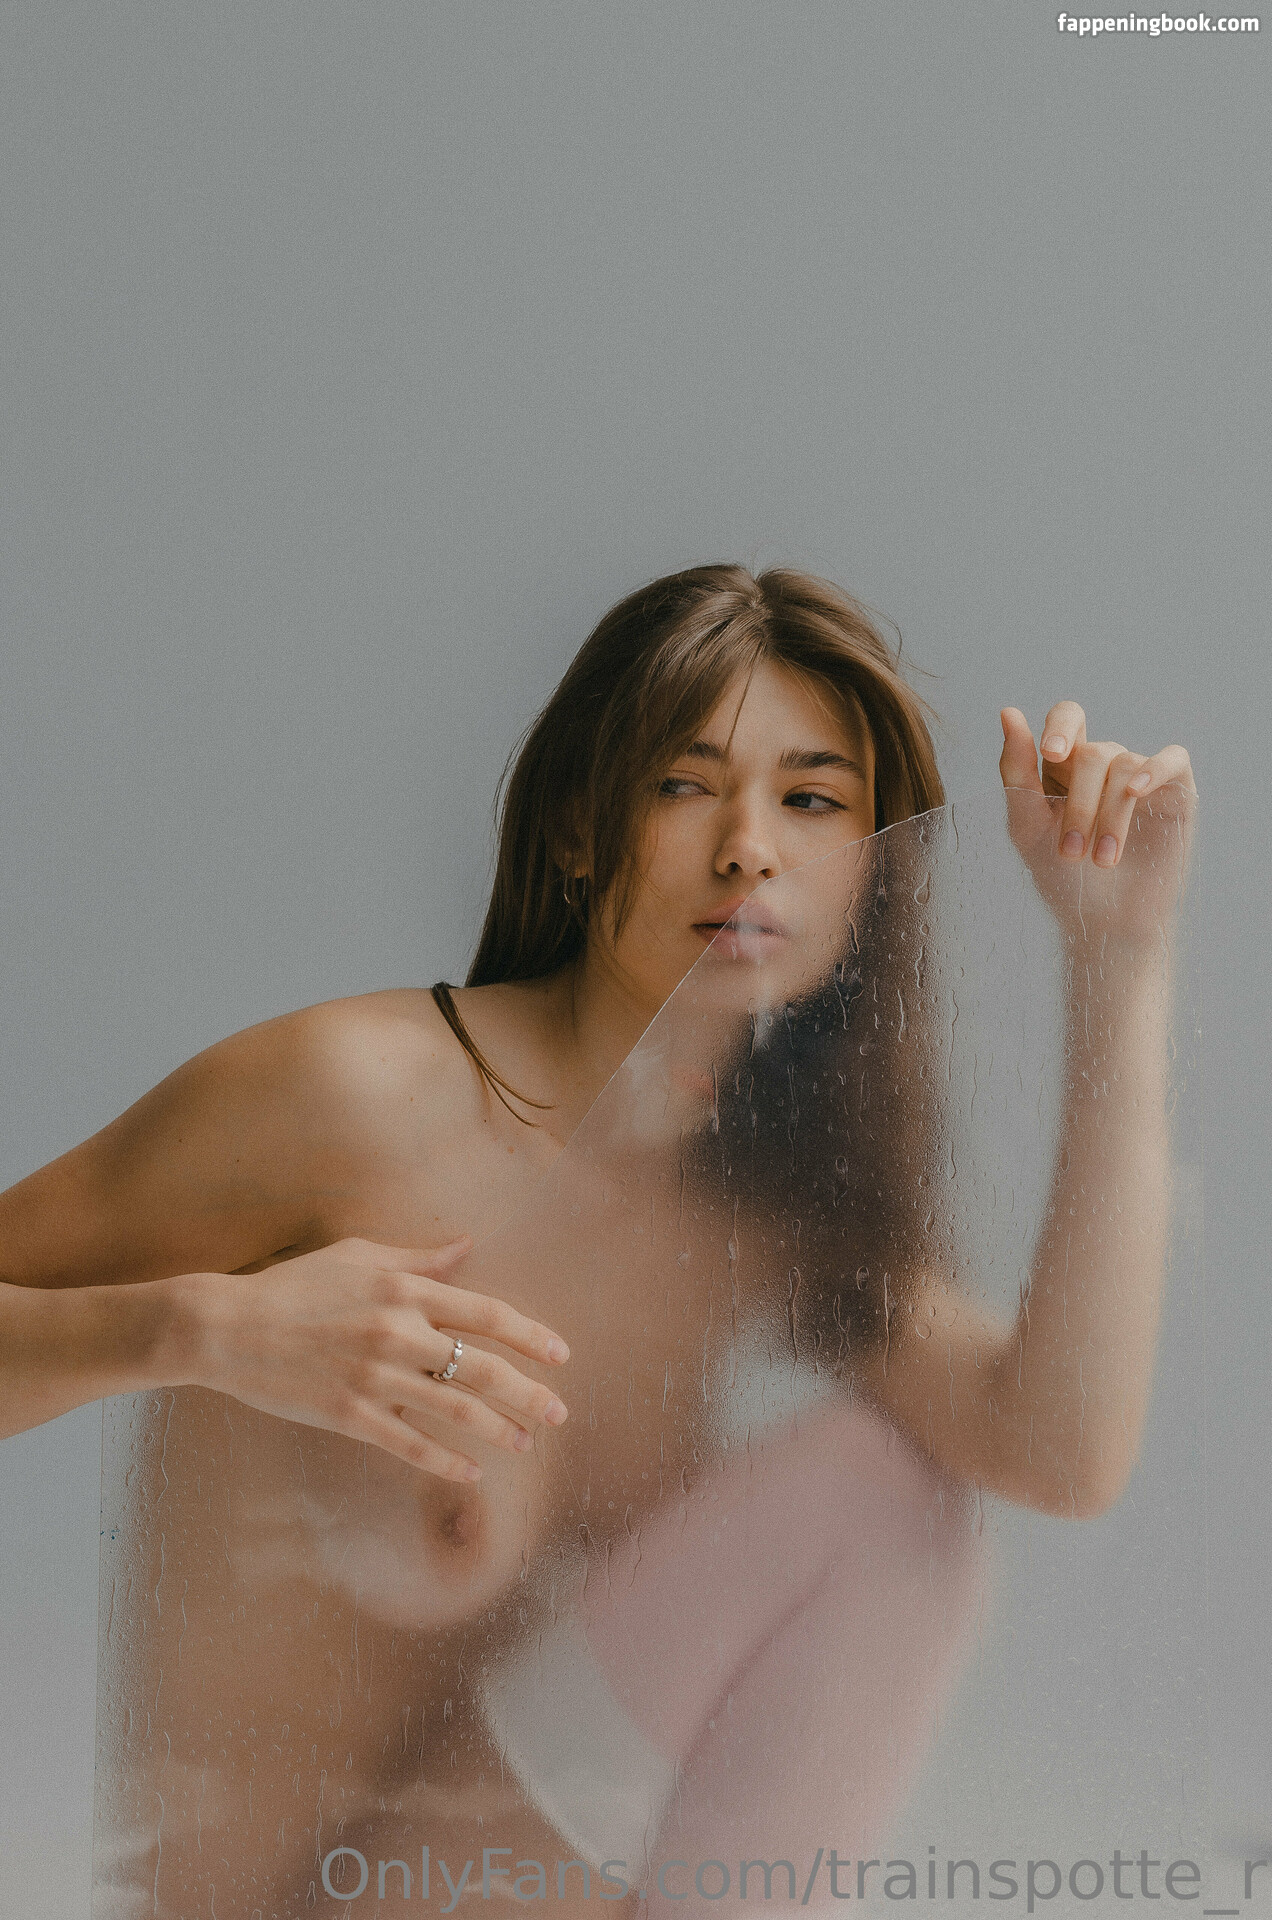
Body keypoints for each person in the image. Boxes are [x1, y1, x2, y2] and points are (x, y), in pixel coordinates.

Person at [1, 564, 1195, 1916]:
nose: (751, 848)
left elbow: (1059, 1451)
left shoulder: (746, 1216)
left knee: (904, 1511)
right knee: (872, 1497)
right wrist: (206, 1329)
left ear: (871, 877)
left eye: (812, 801)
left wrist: (1121, 953)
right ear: (577, 828)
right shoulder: (350, 1102)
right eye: (685, 784)